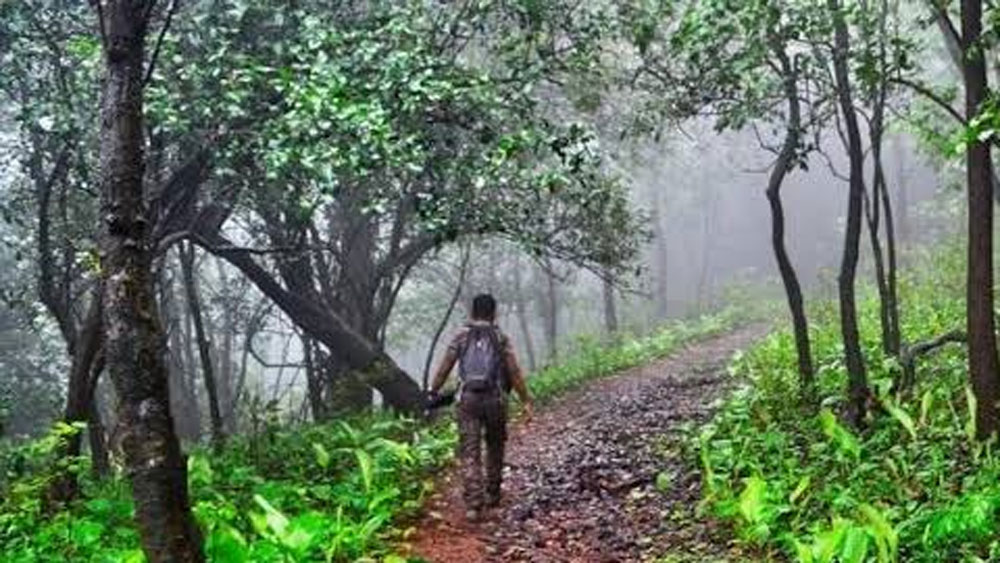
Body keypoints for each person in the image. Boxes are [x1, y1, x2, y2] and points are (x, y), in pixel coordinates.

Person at [428, 293, 533, 521]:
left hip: (468, 400)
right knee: (495, 445)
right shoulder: (500, 338)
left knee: (470, 451)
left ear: (472, 312)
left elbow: (446, 365)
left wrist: (433, 391)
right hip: (495, 399)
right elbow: (514, 371)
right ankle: (493, 492)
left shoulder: (461, 337)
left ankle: (474, 505)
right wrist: (525, 400)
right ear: (493, 312)